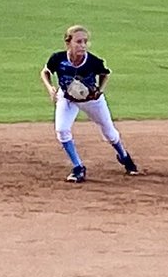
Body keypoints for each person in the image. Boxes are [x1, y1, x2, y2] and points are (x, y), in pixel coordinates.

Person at [40, 25, 138, 183]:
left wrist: (99, 90)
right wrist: (50, 88)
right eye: (78, 41)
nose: (83, 45)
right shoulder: (58, 58)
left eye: (85, 42)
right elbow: (45, 72)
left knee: (109, 133)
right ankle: (78, 167)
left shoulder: (93, 61)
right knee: (62, 129)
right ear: (68, 43)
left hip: (92, 101)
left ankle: (124, 156)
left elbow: (105, 74)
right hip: (67, 98)